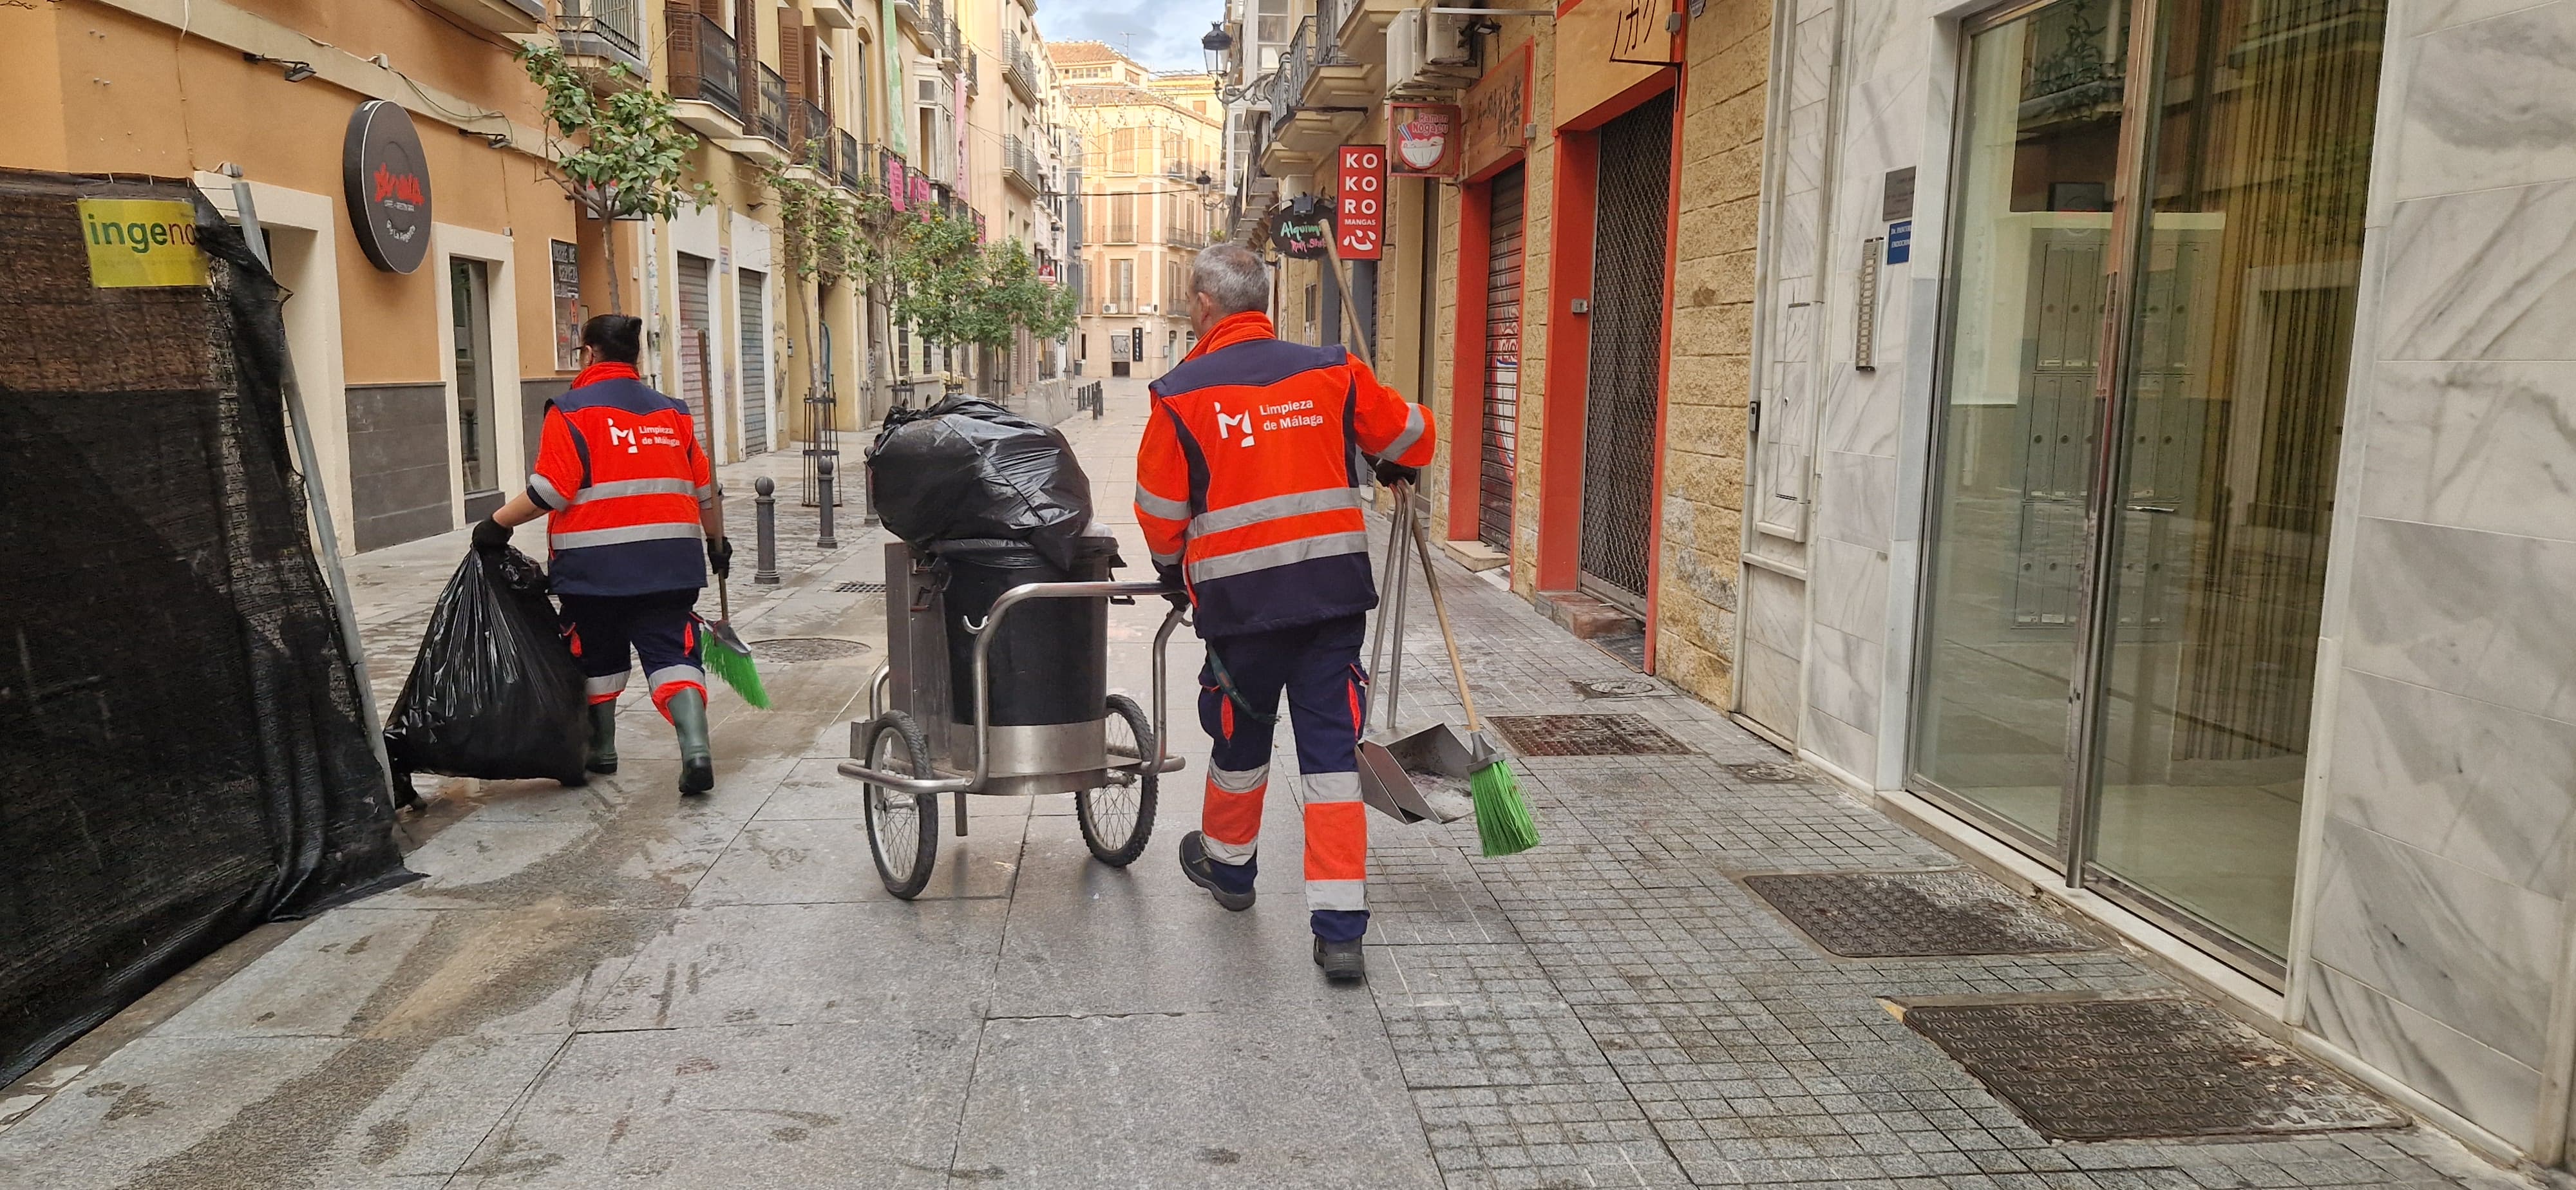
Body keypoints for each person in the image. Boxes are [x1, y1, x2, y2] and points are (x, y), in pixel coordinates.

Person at [1133, 243, 1437, 983]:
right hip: (1330, 603)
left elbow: (1159, 513)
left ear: (1205, 306)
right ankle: (1339, 934)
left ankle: (1232, 872)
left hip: (1241, 610)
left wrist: (1175, 572)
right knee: (1331, 760)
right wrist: (1392, 451)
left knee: (1240, 739)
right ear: (1262, 301)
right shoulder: (1333, 368)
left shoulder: (1179, 392)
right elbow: (1411, 438)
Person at [473, 314, 734, 796]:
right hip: (670, 566)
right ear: (636, 357)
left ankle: (603, 749)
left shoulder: (570, 411)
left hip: (594, 571)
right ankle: (696, 750)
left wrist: (496, 524)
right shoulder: (673, 414)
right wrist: (717, 544)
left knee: (596, 656)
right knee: (673, 655)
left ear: (590, 353)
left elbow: (551, 489)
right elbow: (705, 491)